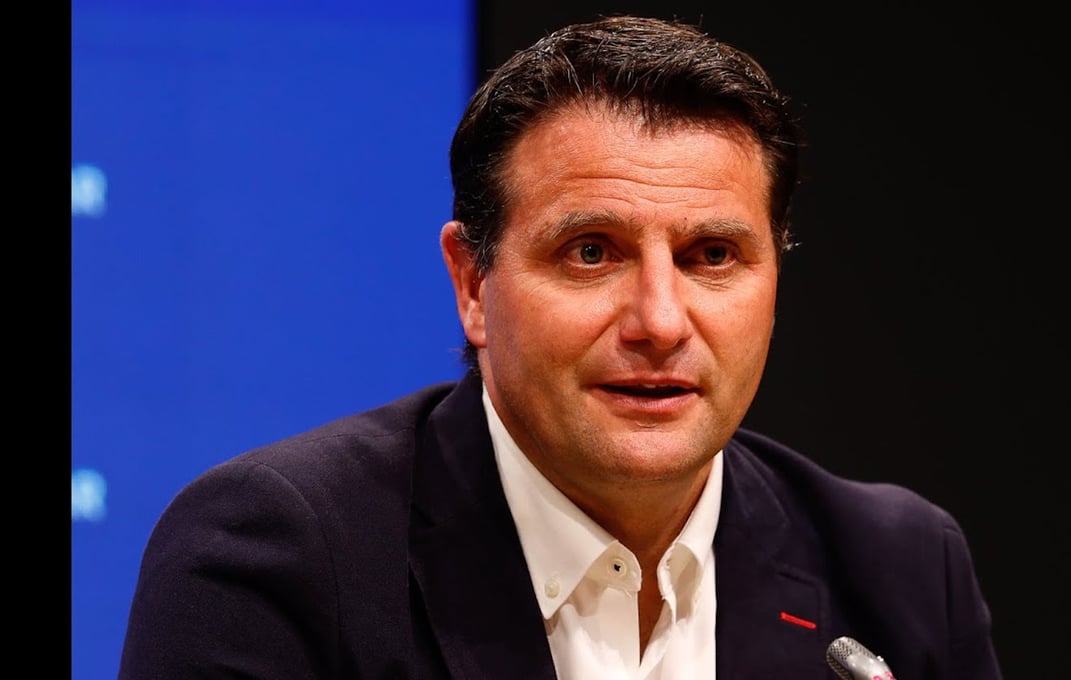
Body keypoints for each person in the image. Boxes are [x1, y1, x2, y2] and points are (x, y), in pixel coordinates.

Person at [118, 15, 1002, 680]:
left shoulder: (900, 566)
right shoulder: (276, 558)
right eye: (591, 253)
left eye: (712, 256)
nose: (660, 320)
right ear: (473, 283)